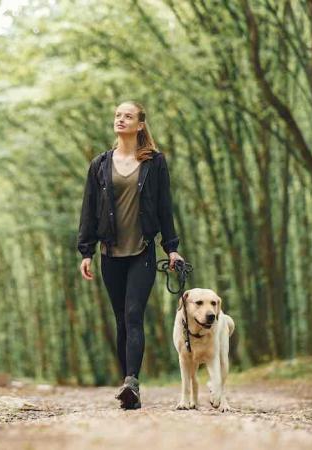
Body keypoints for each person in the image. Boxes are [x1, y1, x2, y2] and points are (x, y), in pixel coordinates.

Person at [77, 101, 183, 410]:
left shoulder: (154, 163)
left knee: (134, 314)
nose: (121, 119)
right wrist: (86, 251)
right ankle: (128, 384)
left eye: (128, 116)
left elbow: (165, 207)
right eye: (118, 115)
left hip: (143, 251)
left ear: (140, 125)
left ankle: (132, 382)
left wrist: (172, 247)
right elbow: (89, 209)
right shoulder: (99, 164)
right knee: (121, 321)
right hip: (110, 252)